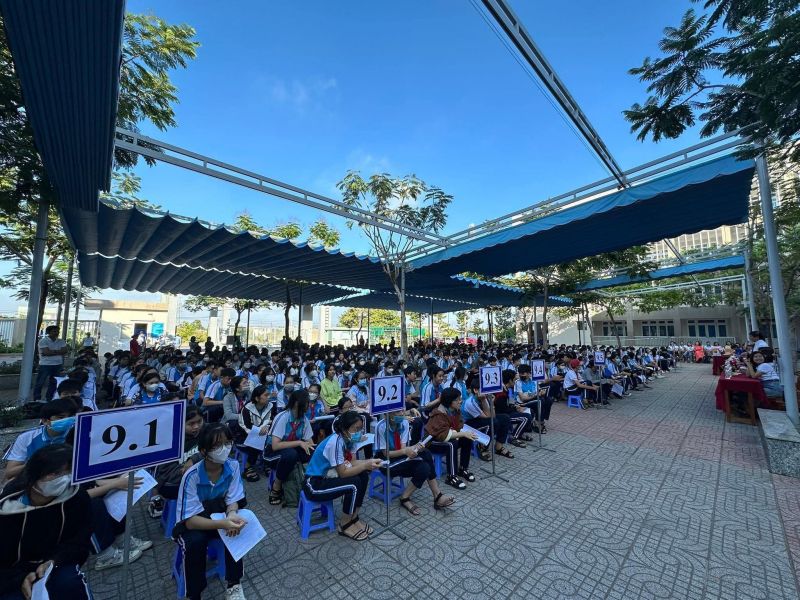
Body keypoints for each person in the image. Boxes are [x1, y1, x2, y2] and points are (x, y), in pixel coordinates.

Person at [0, 444, 93, 600]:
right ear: (35, 475)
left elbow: (79, 540)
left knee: (70, 582)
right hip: (10, 576)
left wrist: (55, 560)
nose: (64, 479)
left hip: (53, 565)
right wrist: (19, 579)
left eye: (69, 472)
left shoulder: (76, 498)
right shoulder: (6, 509)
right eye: (55, 473)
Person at [175, 423, 248, 600]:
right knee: (195, 543)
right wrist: (223, 523)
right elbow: (190, 522)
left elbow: (233, 499)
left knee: (237, 529)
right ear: (204, 451)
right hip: (194, 523)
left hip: (219, 514)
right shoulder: (191, 476)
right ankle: (194, 594)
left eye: (227, 443)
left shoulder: (233, 466)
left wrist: (232, 515)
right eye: (217, 445)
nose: (224, 449)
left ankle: (234, 585)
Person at [303, 411, 382, 540]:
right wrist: (365, 465)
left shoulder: (347, 440)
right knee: (354, 483)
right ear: (345, 429)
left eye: (360, 429)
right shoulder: (335, 442)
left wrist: (369, 462)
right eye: (356, 429)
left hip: (328, 477)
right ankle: (345, 525)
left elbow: (350, 463)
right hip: (314, 484)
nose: (359, 432)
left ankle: (354, 518)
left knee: (362, 476)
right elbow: (343, 473)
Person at [373, 410, 455, 514]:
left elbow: (403, 448)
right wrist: (406, 451)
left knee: (425, 463)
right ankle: (437, 496)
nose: (402, 413)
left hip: (400, 456)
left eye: (402, 410)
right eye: (397, 412)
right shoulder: (381, 426)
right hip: (385, 462)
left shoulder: (404, 423)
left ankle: (406, 497)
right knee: (425, 460)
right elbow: (386, 454)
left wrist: (415, 448)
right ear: (388, 414)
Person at [3, 399, 78, 482]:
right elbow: (10, 472)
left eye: (71, 416)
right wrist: (37, 462)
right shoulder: (27, 438)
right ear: (45, 421)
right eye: (61, 417)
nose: (67, 420)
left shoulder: (78, 434)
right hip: (37, 479)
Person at [150, 406, 205, 517]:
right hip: (172, 484)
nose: (196, 426)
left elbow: (214, 447)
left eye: (199, 421)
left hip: (194, 479)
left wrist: (194, 459)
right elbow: (164, 474)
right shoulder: (171, 440)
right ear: (181, 423)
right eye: (191, 423)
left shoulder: (205, 432)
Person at [264, 390, 314, 506]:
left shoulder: (304, 419)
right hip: (271, 453)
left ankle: (308, 483)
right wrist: (299, 443)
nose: (309, 405)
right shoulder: (283, 417)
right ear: (296, 403)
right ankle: (276, 486)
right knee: (291, 455)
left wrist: (311, 449)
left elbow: (310, 442)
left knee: (311, 452)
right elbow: (275, 445)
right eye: (306, 402)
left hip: (291, 450)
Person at [425, 387, 479, 490]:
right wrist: (462, 434)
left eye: (460, 399)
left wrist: (464, 433)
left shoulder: (454, 410)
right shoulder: (439, 414)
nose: (460, 401)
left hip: (445, 437)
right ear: (449, 401)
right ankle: (451, 476)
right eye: (457, 399)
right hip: (432, 442)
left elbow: (459, 426)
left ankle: (463, 468)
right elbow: (443, 436)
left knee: (467, 438)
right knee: (451, 444)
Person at [34, 325, 67, 402]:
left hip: (57, 364)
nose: (56, 333)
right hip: (45, 365)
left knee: (54, 382)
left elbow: (65, 351)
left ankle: (49, 398)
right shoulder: (43, 341)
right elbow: (46, 352)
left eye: (57, 331)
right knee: (40, 383)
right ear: (48, 332)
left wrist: (51, 352)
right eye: (54, 331)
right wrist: (58, 352)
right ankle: (36, 399)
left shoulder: (61, 341)